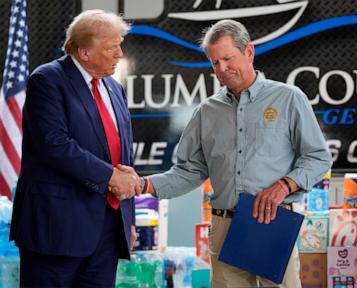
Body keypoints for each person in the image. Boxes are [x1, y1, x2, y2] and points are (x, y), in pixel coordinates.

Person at [121, 19, 332, 287]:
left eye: (228, 59)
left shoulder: (289, 99)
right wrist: (144, 184)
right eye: (215, 63)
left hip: (272, 221)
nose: (222, 69)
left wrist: (284, 185)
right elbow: (190, 171)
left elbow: (319, 157)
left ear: (249, 52)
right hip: (223, 227)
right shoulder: (206, 112)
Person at [10, 10, 140, 287]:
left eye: (119, 45)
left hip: (107, 230)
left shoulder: (115, 88)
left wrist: (128, 220)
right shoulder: (47, 80)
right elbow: (54, 144)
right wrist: (110, 177)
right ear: (84, 52)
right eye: (111, 47)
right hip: (56, 229)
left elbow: (122, 156)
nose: (119, 54)